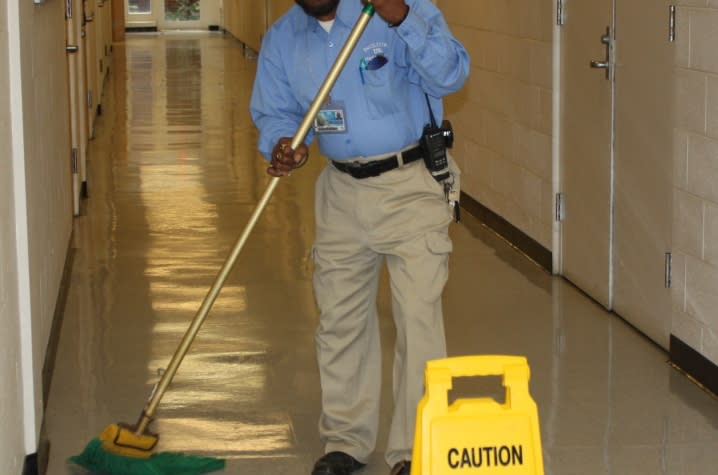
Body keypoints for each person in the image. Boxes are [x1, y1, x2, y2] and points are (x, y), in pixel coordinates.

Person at [250, 1, 469, 474]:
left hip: (411, 181)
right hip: (341, 190)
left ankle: (417, 450)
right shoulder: (284, 38)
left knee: (417, 318)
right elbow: (274, 112)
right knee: (340, 319)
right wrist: (284, 143)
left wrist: (402, 18)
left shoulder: (396, 9)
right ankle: (346, 443)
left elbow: (451, 74)